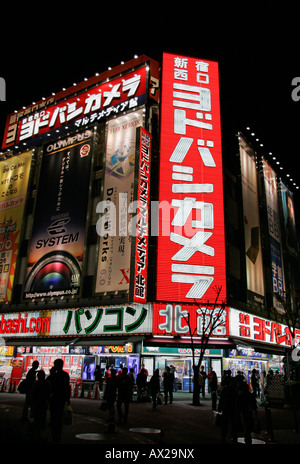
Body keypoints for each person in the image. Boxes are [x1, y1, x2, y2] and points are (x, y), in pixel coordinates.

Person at [48, 358, 71, 443]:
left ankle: (55, 436)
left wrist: (51, 373)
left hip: (54, 398)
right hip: (62, 399)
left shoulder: (53, 376)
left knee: (54, 417)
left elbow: (48, 385)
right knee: (59, 417)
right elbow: (67, 388)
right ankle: (58, 436)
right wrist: (68, 399)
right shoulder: (65, 375)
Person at [218, 375, 238, 443]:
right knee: (233, 424)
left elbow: (221, 400)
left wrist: (219, 408)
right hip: (232, 409)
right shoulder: (235, 389)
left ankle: (224, 436)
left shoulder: (225, 389)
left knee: (225, 424)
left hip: (226, 409)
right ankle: (234, 437)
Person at [103, 368, 117, 432]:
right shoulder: (116, 380)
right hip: (113, 395)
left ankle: (110, 420)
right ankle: (111, 420)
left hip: (109, 395)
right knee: (112, 407)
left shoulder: (109, 380)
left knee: (110, 407)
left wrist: (104, 397)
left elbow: (107, 389)